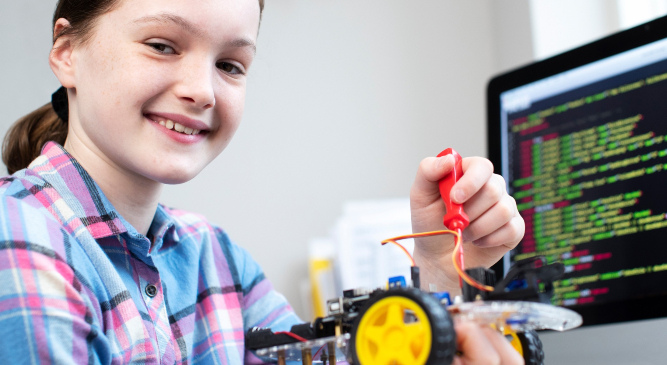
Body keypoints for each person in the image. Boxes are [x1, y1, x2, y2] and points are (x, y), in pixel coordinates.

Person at [0, 0, 525, 364]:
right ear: (67, 52)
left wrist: (439, 265)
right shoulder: (20, 238)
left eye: (230, 64)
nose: (202, 90)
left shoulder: (217, 258)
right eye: (162, 45)